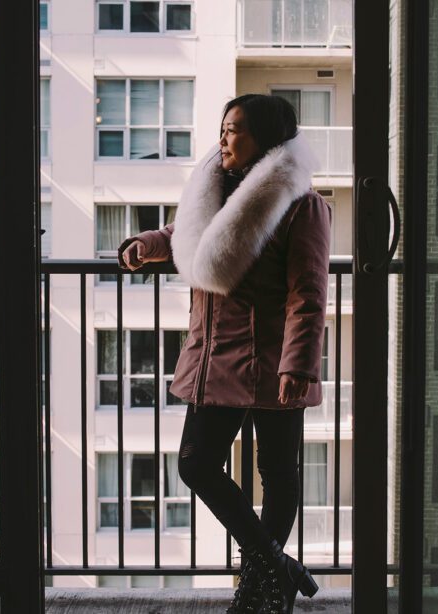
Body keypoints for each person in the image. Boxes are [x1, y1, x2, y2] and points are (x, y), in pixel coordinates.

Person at [117, 94, 331, 614]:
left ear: (265, 138)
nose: (223, 138)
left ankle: (258, 590)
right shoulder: (211, 191)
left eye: (234, 129)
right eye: (222, 127)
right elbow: (184, 235)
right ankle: (275, 565)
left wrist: (298, 364)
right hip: (213, 357)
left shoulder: (302, 205)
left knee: (278, 474)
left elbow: (309, 290)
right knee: (195, 463)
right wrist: (148, 243)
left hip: (274, 361)